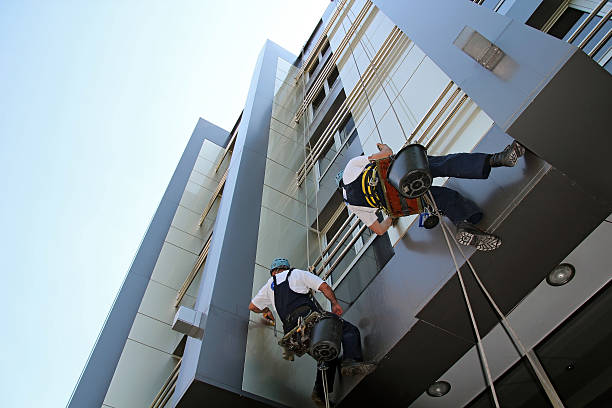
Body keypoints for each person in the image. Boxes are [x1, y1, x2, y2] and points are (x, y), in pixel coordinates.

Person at [337, 141, 525, 250]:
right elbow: (386, 155)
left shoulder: (353, 205)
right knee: (446, 164)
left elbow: (378, 230)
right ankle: (497, 159)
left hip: (403, 199)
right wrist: (384, 148)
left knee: (443, 198)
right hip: (401, 173)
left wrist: (391, 218)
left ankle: (463, 225)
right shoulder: (350, 168)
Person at [249, 258, 375, 406]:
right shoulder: (296, 274)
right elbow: (324, 287)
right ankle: (350, 362)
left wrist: (266, 310)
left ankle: (319, 394)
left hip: (293, 335)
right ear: (287, 268)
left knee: (327, 354)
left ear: (273, 272)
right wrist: (334, 304)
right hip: (309, 321)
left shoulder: (269, 286)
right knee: (348, 329)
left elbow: (253, 306)